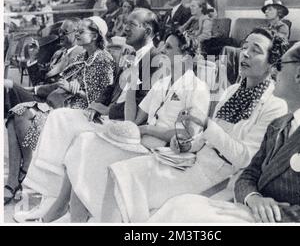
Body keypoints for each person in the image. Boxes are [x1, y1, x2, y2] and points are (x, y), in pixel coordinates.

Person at [98, 28, 289, 223]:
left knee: (126, 180)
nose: (245, 53)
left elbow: (246, 159)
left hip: (220, 177)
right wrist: (188, 144)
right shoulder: (232, 90)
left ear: (272, 63)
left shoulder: (275, 105)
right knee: (120, 172)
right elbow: (206, 138)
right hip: (194, 160)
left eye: (256, 50)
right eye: (244, 47)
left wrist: (206, 125)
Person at [16, 32, 210, 223]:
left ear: (184, 56)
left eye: (168, 47)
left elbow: (188, 134)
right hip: (142, 141)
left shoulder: (197, 87)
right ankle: (70, 212)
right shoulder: (162, 83)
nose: (162, 50)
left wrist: (147, 130)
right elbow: (133, 120)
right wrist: (132, 87)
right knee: (84, 141)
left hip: (165, 153)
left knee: (89, 148)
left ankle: (66, 212)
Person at [149, 40, 300, 223]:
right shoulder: (279, 124)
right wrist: (253, 198)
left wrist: (266, 214)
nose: (275, 71)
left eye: (281, 65)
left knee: (182, 214)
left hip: (275, 220)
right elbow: (249, 175)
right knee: (178, 207)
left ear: (299, 73)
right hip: (247, 207)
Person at [13, 8, 160, 221]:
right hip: (104, 114)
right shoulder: (129, 53)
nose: (125, 28)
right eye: (125, 23)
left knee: (72, 133)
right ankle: (49, 196)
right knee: (59, 117)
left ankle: (56, 201)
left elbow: (143, 103)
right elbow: (110, 88)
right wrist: (97, 105)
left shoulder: (155, 59)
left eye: (132, 24)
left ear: (147, 30)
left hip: (122, 124)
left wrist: (108, 110)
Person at [4, 16, 114, 206]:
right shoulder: (81, 56)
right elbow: (58, 82)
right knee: (16, 113)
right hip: (62, 104)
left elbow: (100, 98)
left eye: (81, 31)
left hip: (82, 112)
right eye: (77, 31)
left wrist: (74, 89)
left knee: (22, 114)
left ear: (95, 35)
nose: (77, 34)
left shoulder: (104, 59)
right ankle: (15, 178)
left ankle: (25, 171)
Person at [5, 19, 84, 110]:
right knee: (6, 90)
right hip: (39, 96)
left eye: (64, 32)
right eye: (60, 32)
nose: (60, 35)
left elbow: (61, 86)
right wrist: (33, 57)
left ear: (77, 33)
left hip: (51, 103)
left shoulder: (79, 56)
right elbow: (38, 80)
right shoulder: (59, 53)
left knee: (8, 86)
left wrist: (32, 90)